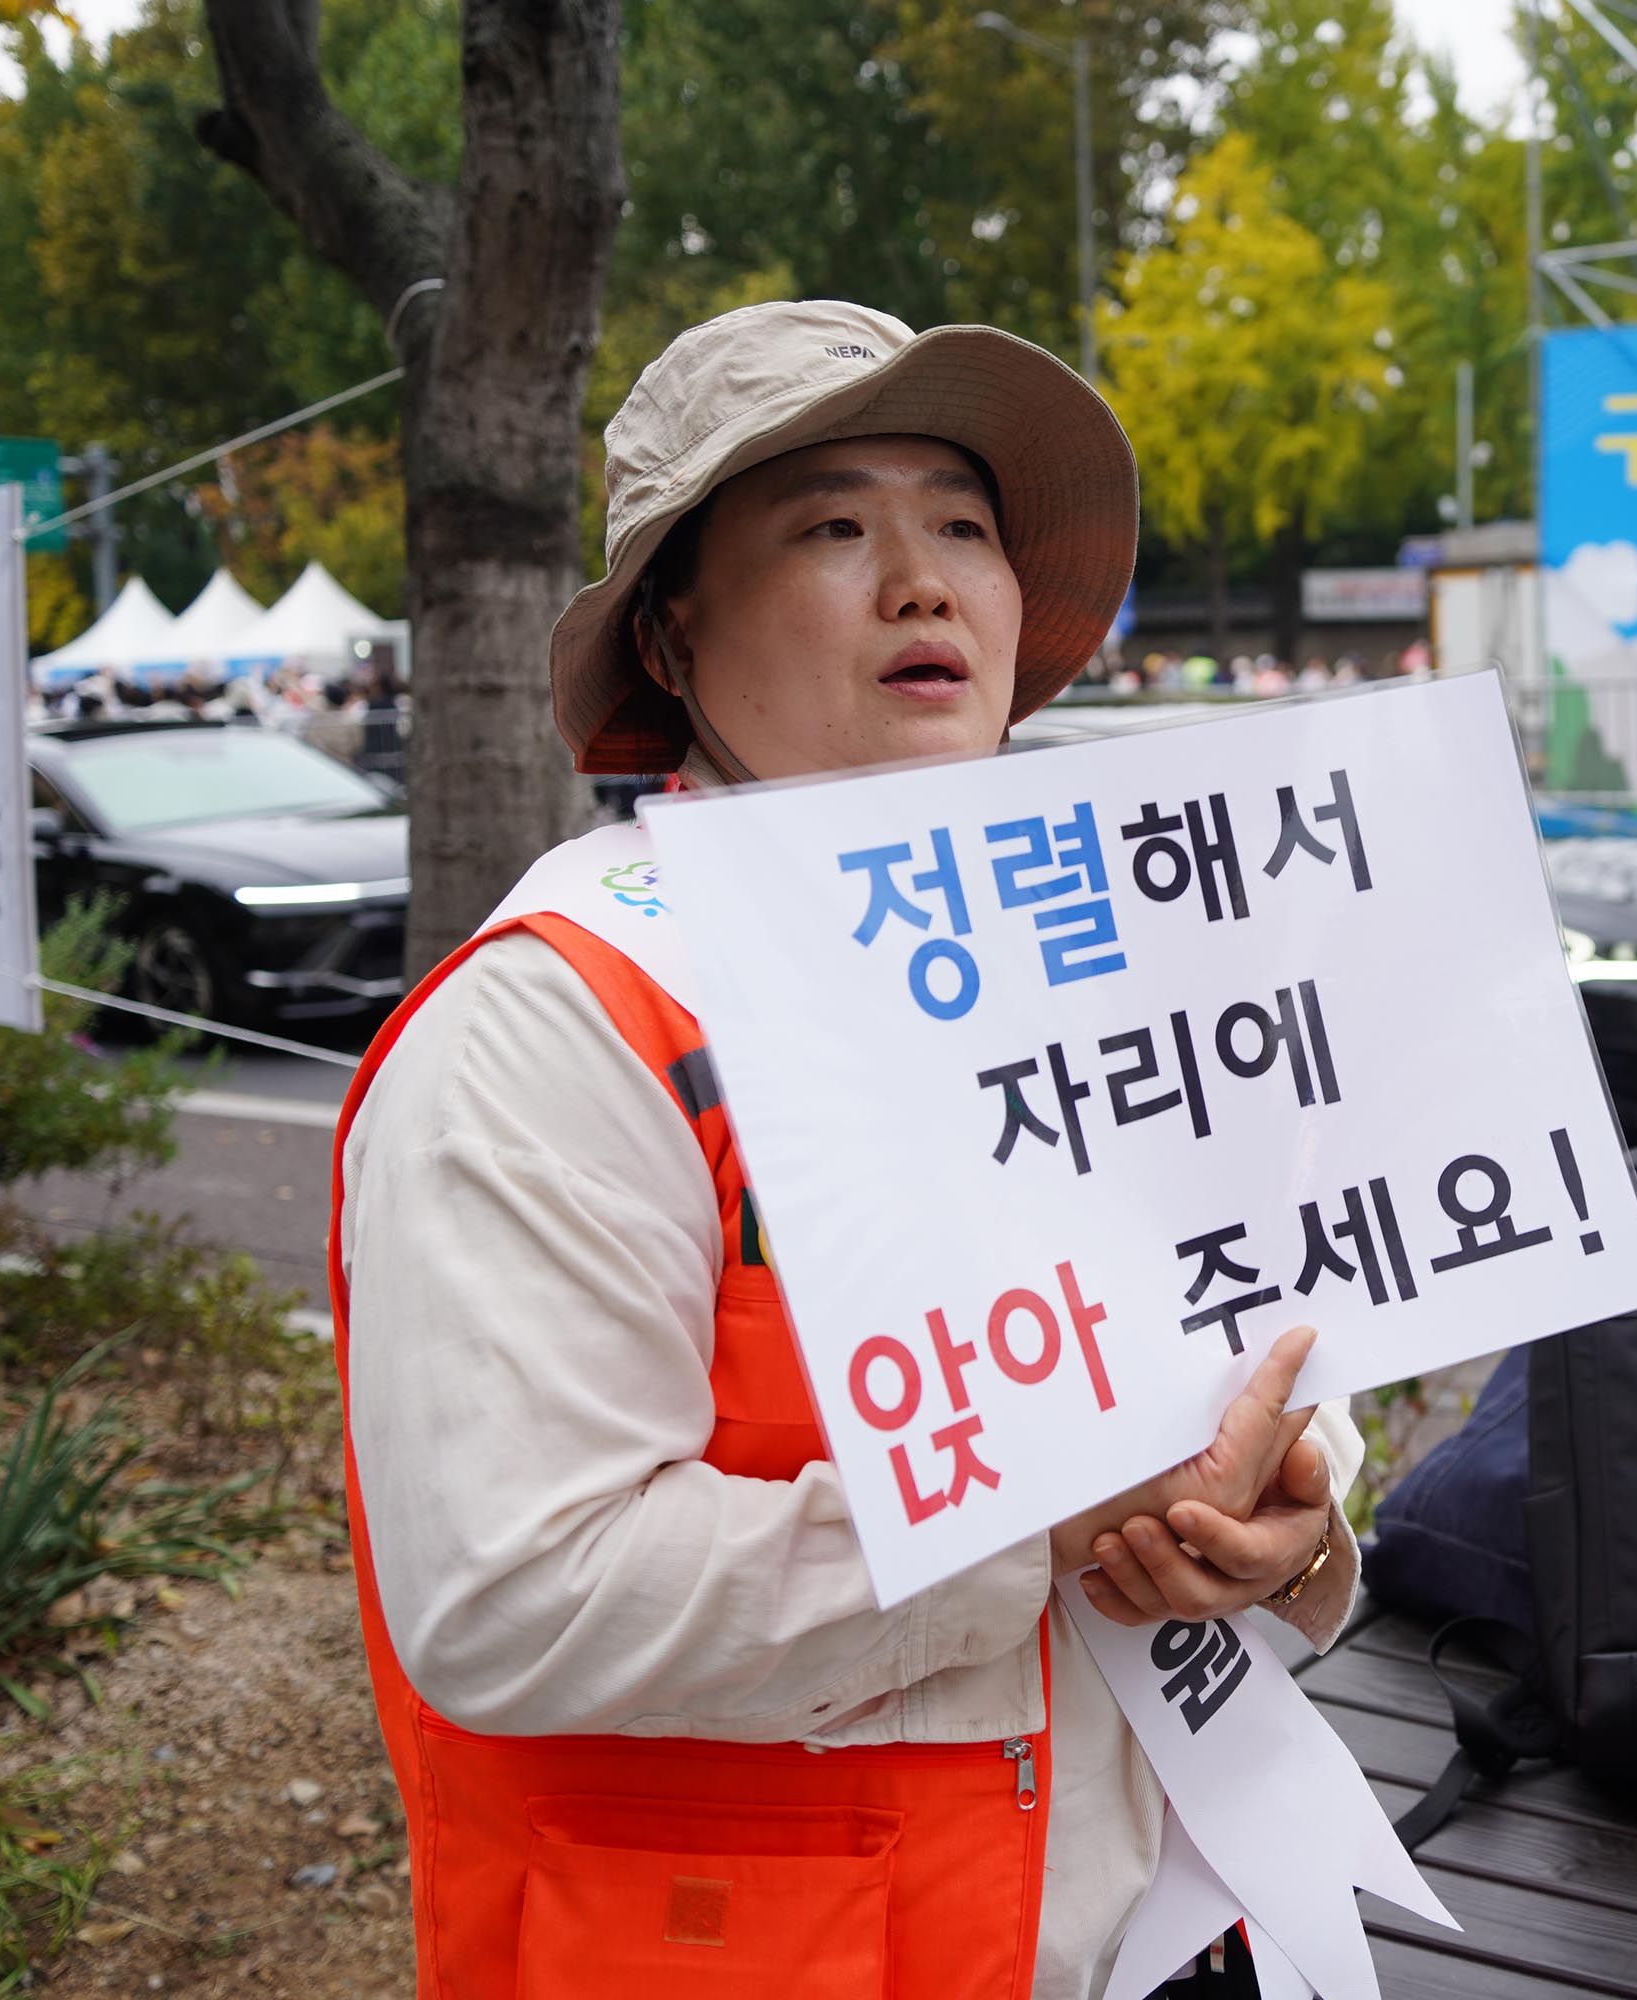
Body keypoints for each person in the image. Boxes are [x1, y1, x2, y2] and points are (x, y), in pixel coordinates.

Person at [332, 299, 1363, 2000]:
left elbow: (1288, 1373)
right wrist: (1028, 1523)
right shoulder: (561, 1022)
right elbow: (509, 1594)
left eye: (962, 523)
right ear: (666, 637)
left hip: (1192, 1932)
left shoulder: (1122, 966)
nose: (923, 581)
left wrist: (1298, 1529)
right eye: (833, 526)